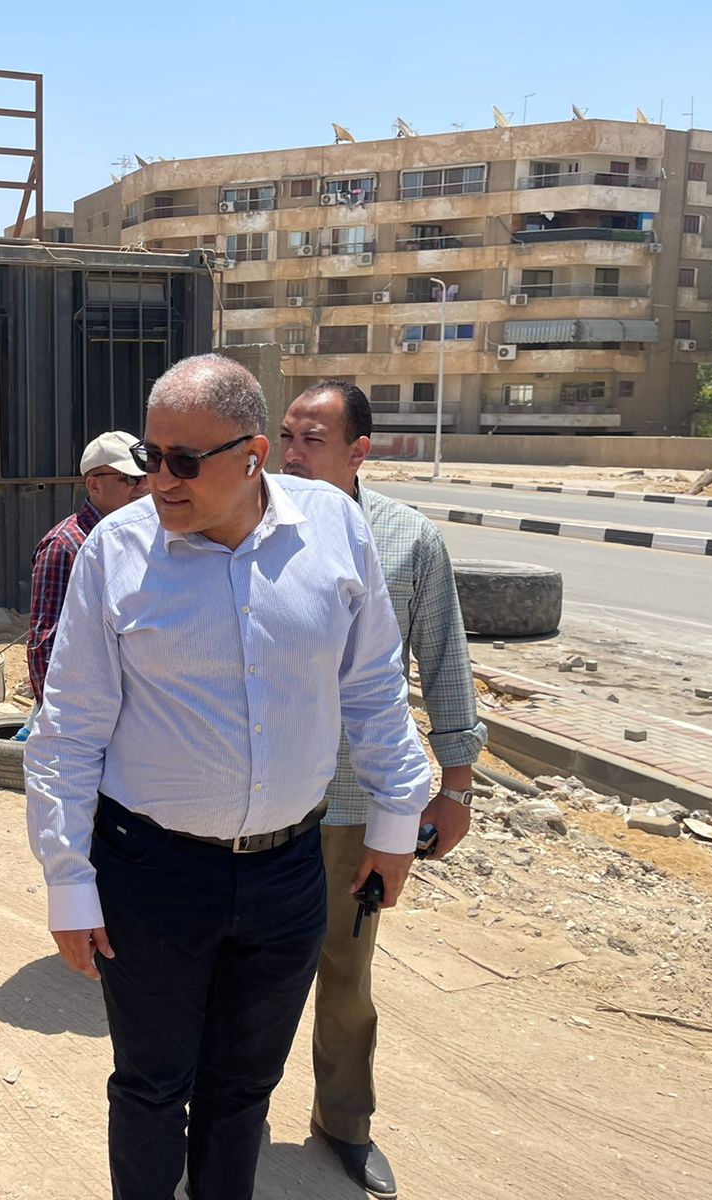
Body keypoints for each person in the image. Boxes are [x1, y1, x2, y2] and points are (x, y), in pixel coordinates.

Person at [24, 354, 433, 1200]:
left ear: (252, 456)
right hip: (153, 875)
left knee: (243, 1089)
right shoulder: (116, 552)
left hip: (289, 875)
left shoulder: (334, 529)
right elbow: (68, 731)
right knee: (151, 1086)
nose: (160, 481)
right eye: (151, 456)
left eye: (183, 461)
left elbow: (372, 684)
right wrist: (68, 882)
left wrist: (399, 822)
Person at [279, 380, 486, 1198]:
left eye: (312, 439)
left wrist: (455, 787)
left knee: (346, 974)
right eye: (287, 436)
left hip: (354, 806)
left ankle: (345, 1122)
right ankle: (226, 1116)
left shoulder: (407, 541)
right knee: (242, 973)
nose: (293, 454)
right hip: (257, 801)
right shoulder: (251, 527)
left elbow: (445, 662)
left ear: (359, 451)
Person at [25, 430, 148, 703]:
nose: (144, 486)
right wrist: (60, 718)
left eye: (147, 475)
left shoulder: (145, 537)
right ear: (94, 485)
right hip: (88, 706)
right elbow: (46, 646)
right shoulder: (66, 545)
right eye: (131, 478)